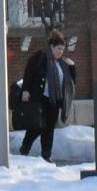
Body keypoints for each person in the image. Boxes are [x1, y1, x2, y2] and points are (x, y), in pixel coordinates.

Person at [16, 30, 74, 161]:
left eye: (62, 49)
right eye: (58, 48)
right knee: (37, 126)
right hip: (41, 98)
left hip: (54, 100)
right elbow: (29, 73)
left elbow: (69, 82)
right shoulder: (41, 57)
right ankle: (25, 148)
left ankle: (46, 155)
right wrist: (26, 90)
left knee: (49, 129)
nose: (60, 52)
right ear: (52, 47)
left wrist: (72, 67)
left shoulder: (61, 64)